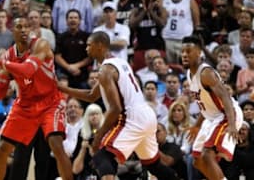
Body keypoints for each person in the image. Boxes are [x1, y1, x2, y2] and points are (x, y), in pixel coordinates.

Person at [58, 31, 178, 180]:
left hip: (131, 117)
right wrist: (62, 88)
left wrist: (98, 137)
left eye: (89, 45)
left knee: (101, 157)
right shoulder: (120, 62)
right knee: (153, 164)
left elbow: (115, 109)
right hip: (147, 114)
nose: (86, 49)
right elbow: (92, 95)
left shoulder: (106, 70)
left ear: (100, 46)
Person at [0, 17, 73, 180]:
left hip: (50, 102)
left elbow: (27, 70)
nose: (24, 30)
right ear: (12, 31)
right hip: (25, 104)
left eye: (27, 26)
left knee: (56, 144)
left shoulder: (41, 45)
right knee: (2, 150)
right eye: (19, 27)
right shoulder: (9, 55)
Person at [181, 35, 243, 180]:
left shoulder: (206, 73)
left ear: (199, 52)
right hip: (212, 117)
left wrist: (232, 124)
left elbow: (226, 97)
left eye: (188, 51)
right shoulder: (190, 74)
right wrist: (197, 125)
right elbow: (206, 105)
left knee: (207, 154)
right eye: (183, 51)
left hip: (227, 115)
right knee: (197, 161)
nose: (184, 54)